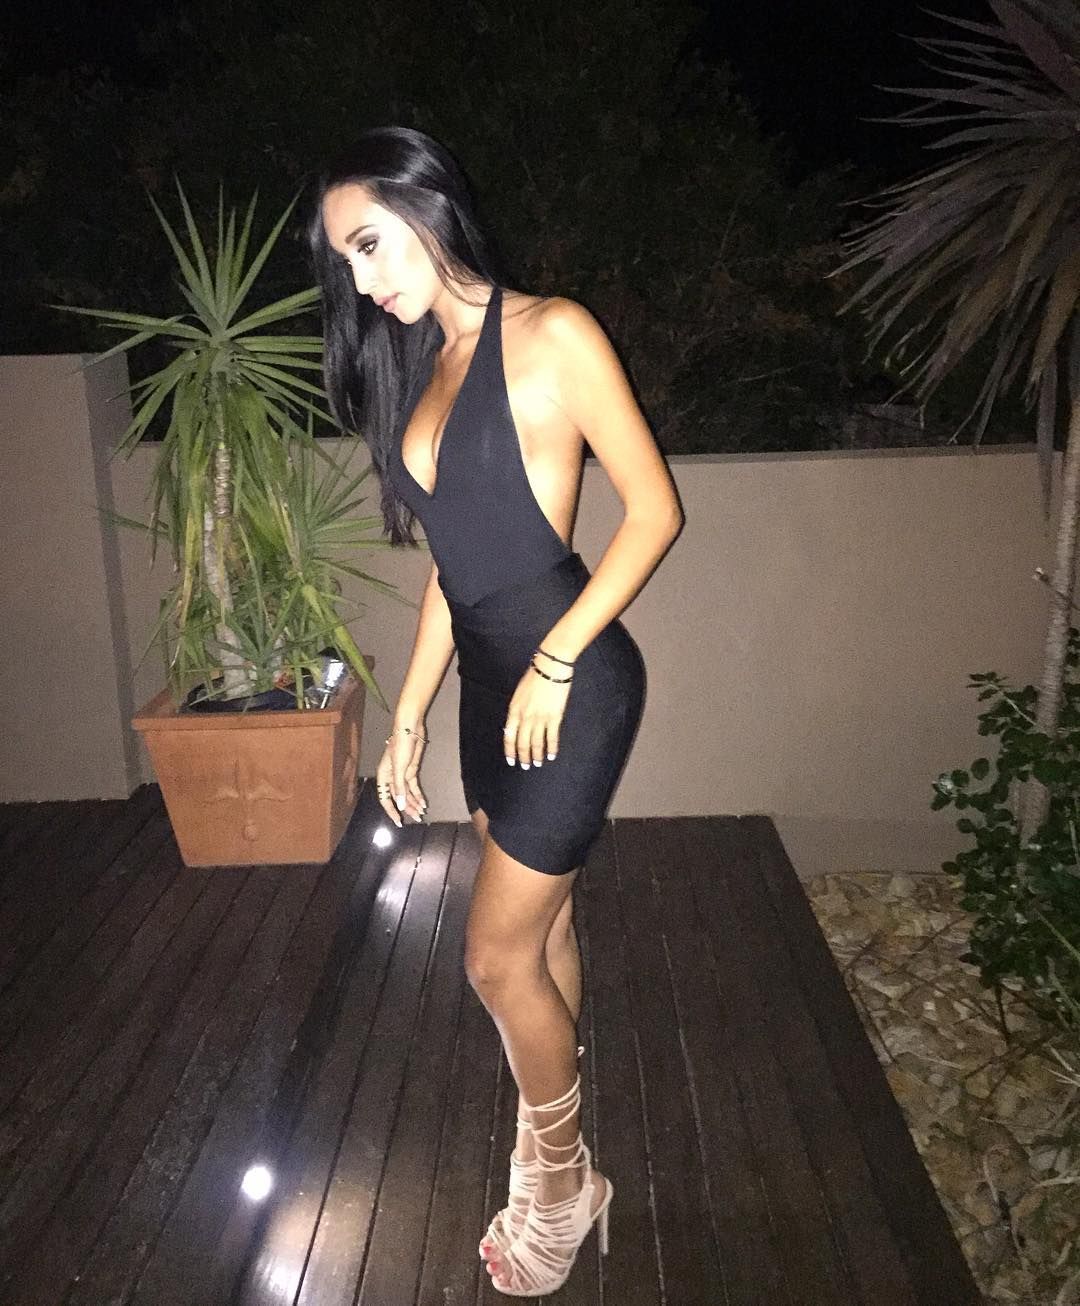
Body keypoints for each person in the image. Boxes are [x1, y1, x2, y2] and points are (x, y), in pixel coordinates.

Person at [309, 125, 682, 1296]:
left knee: (491, 955)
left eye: (371, 243)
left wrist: (560, 659)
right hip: (487, 689)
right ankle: (549, 1128)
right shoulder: (429, 364)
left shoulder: (555, 333)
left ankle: (560, 1181)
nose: (364, 280)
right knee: (544, 928)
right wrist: (409, 716)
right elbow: (450, 570)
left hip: (568, 686)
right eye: (347, 262)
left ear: (428, 207)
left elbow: (655, 510)